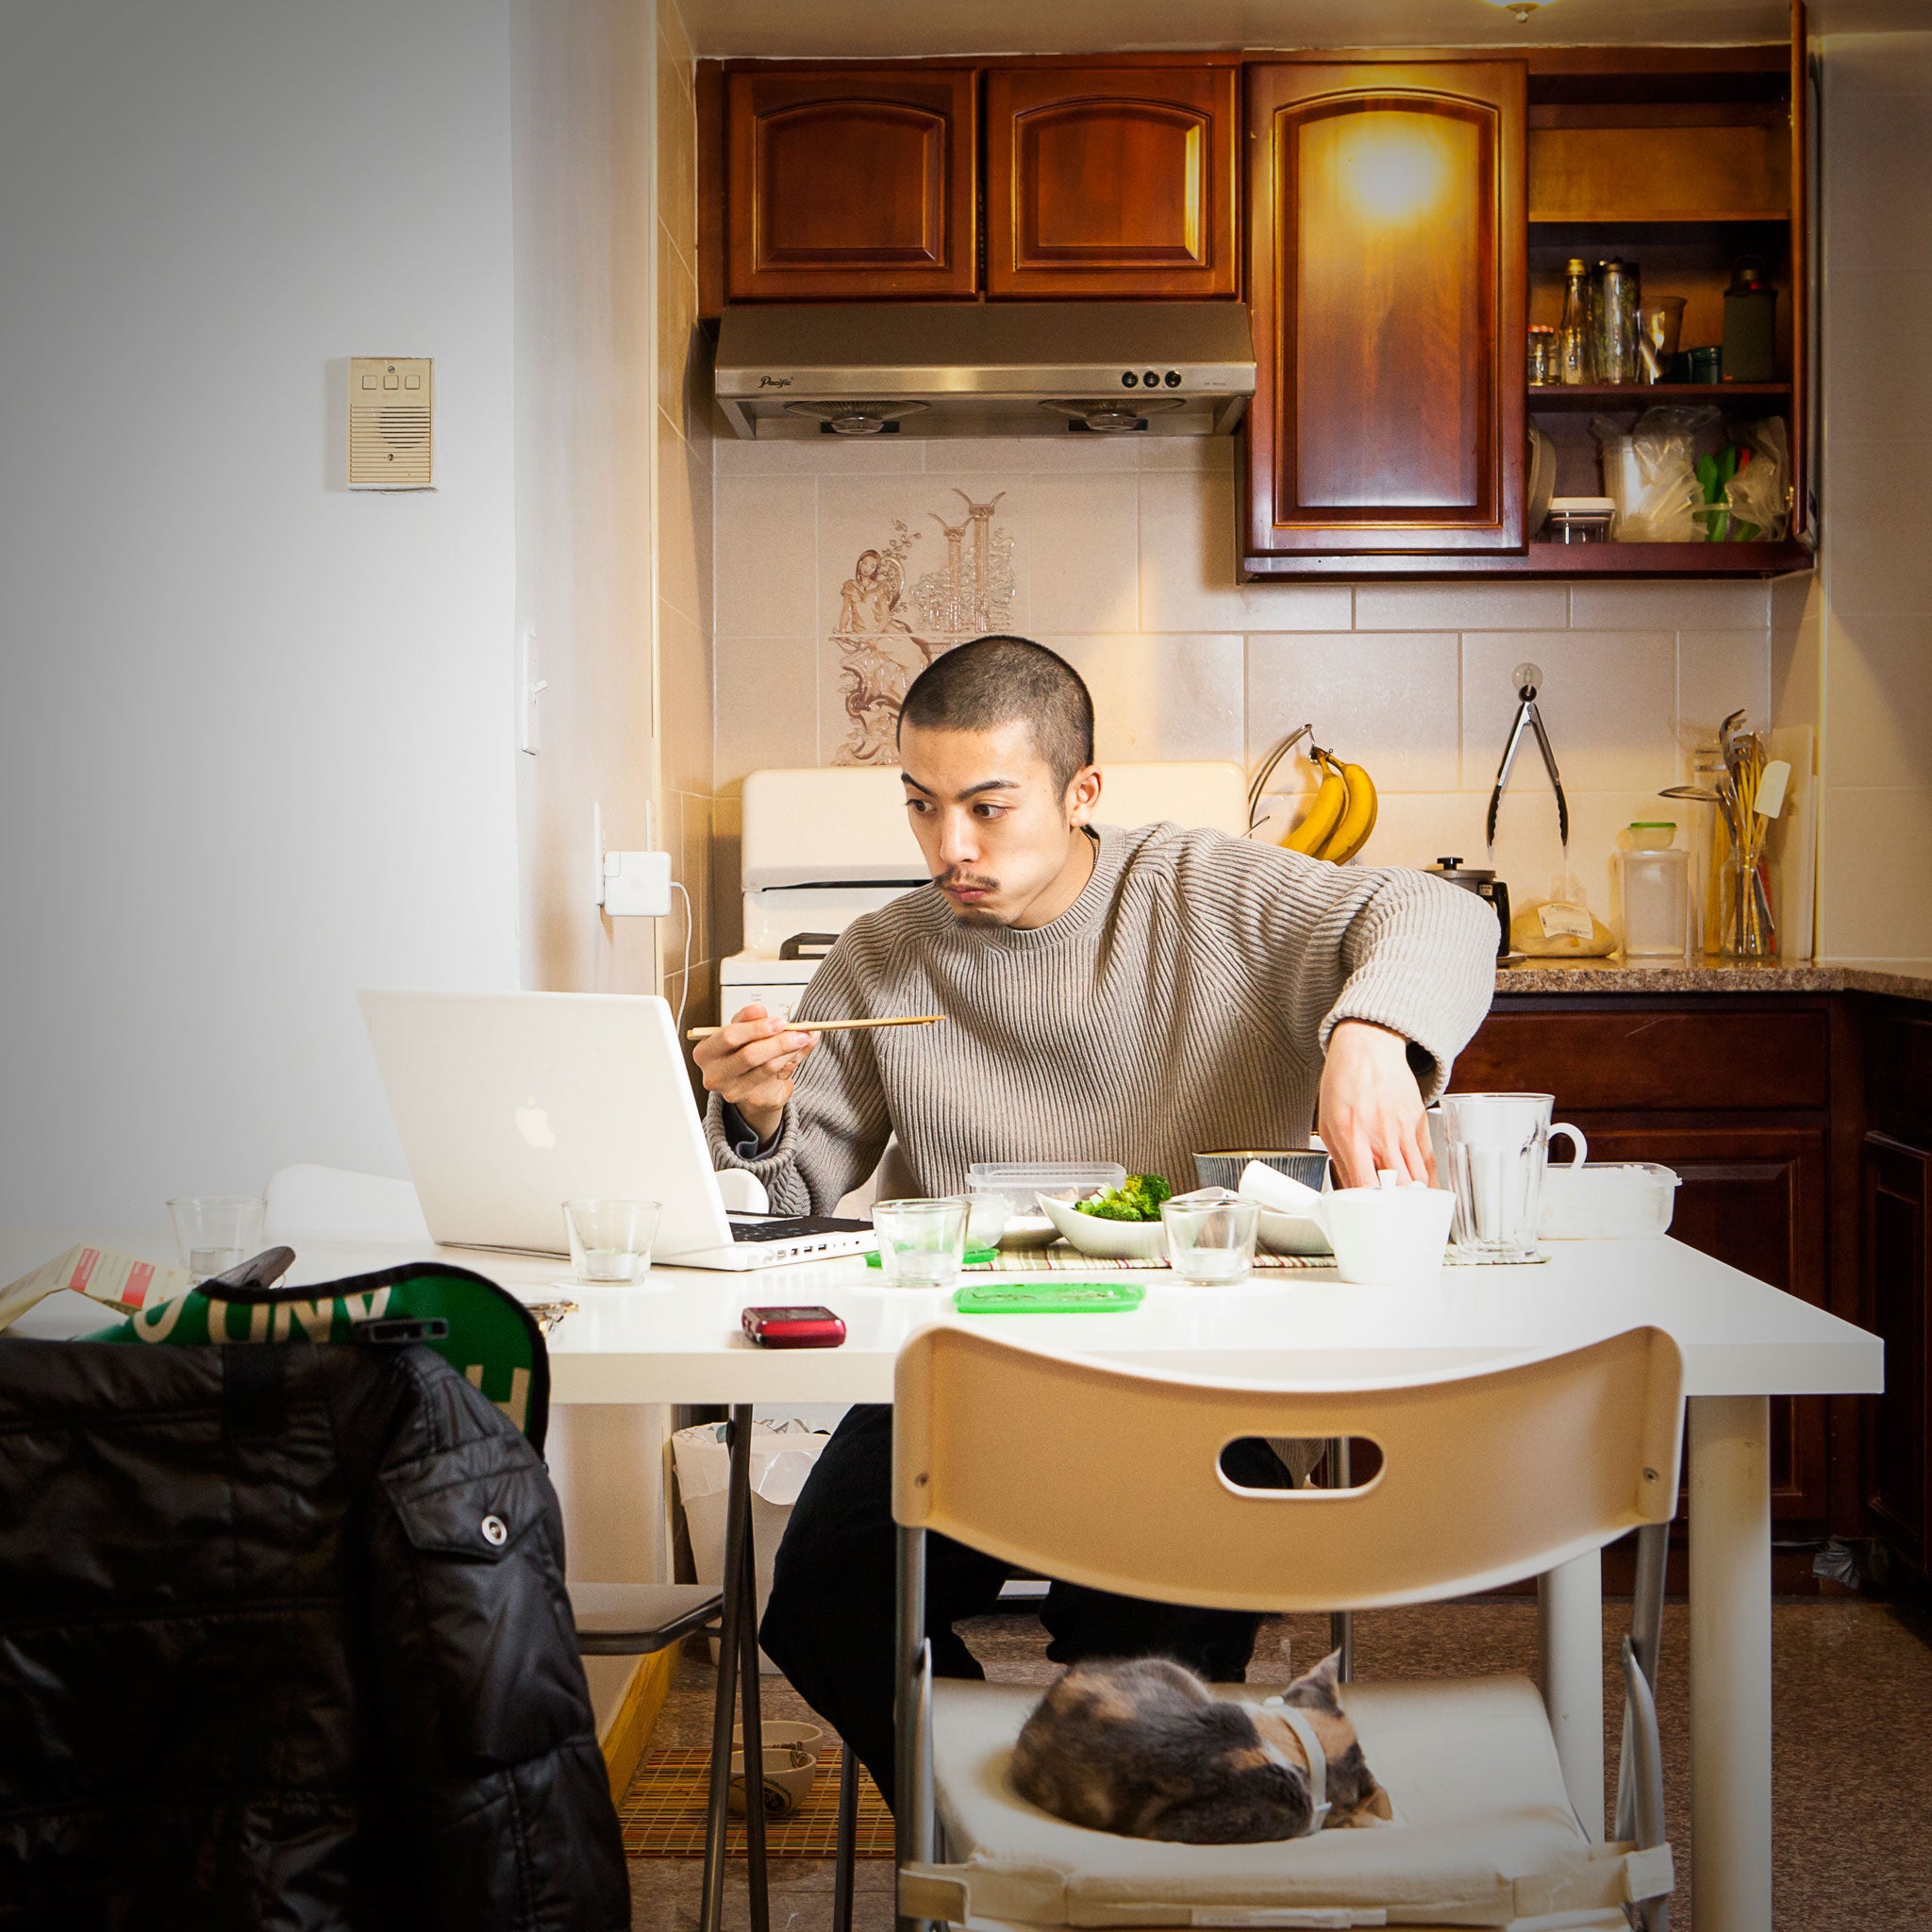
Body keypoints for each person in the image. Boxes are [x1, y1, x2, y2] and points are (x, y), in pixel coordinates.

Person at [694, 635, 1496, 1803]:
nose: (947, 847)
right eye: (920, 807)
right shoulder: (883, 952)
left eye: (986, 805)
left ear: (1080, 796)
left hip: (1194, 1388)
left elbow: (1440, 914)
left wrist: (1369, 1031)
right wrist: (759, 1119)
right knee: (818, 1603)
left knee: (1143, 1671)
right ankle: (989, 1830)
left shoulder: (1201, 890)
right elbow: (784, 1206)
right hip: (970, 1377)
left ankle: (1095, 1832)